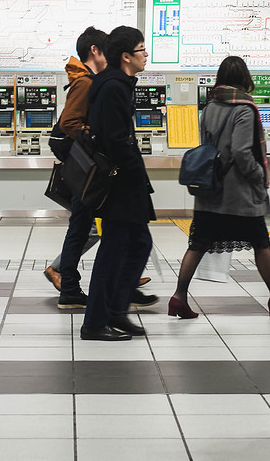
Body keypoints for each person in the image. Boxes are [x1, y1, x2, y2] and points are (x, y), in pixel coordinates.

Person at [168, 56, 270, 320]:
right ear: (245, 78)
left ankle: (179, 297)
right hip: (238, 194)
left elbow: (208, 144)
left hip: (210, 190)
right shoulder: (244, 108)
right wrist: (258, 175)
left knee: (197, 244)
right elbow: (242, 152)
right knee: (261, 243)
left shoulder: (209, 106)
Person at [80, 26, 158, 341]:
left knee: (137, 244)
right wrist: (135, 173)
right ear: (126, 56)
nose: (146, 55)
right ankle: (97, 321)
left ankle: (115, 310)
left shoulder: (115, 83)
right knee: (115, 250)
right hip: (120, 184)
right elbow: (115, 140)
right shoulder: (114, 87)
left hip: (121, 182)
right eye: (142, 49)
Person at [45, 27, 110, 309]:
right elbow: (69, 123)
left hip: (83, 166)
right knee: (82, 227)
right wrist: (95, 133)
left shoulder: (87, 80)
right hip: (84, 169)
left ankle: (72, 286)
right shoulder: (85, 82)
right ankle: (69, 286)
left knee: (84, 227)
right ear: (94, 51)